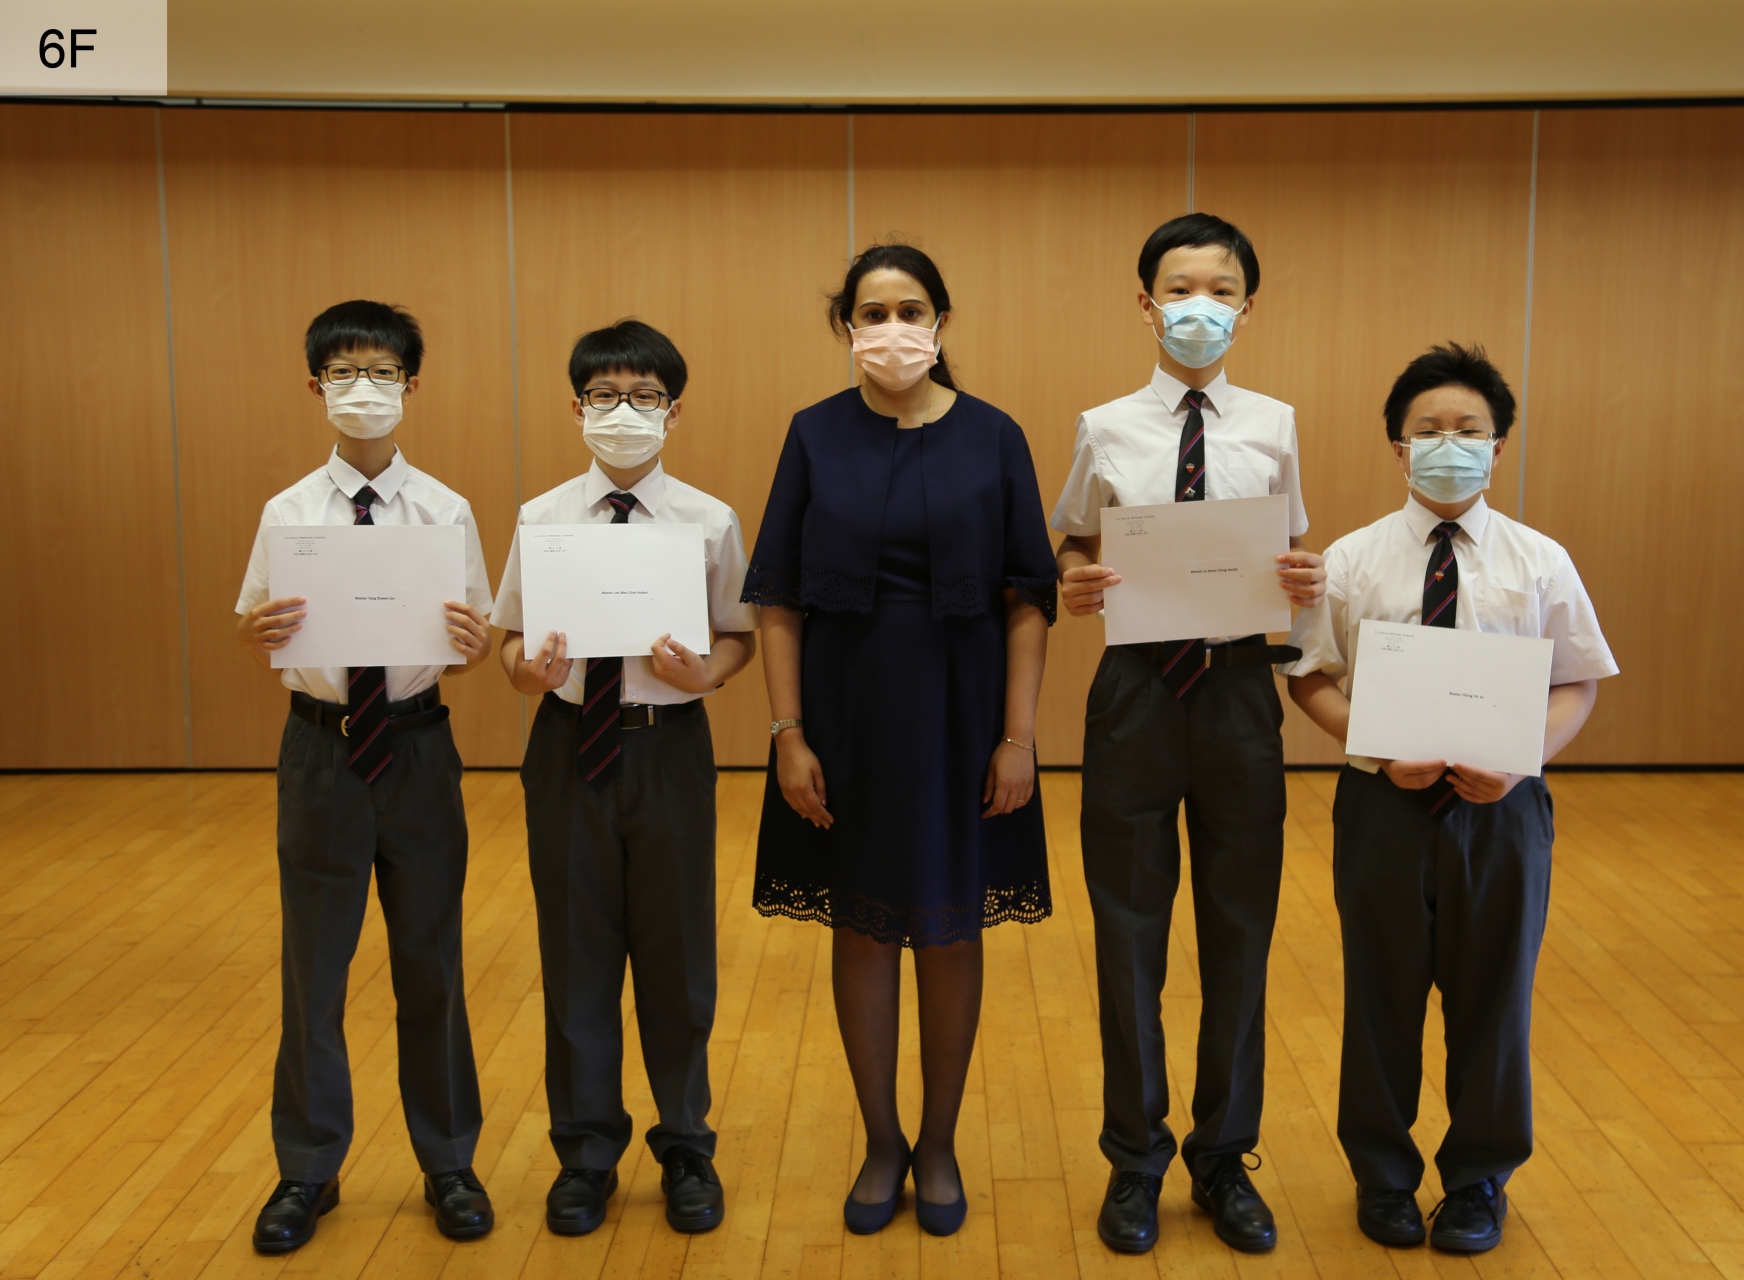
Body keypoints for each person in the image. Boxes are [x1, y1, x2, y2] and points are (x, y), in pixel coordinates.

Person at [744, 243, 1057, 1238]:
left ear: (941, 322)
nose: (891, 329)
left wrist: (1019, 737)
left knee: (952, 927)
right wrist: (788, 733)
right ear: (847, 328)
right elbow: (777, 596)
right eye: (871, 313)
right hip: (845, 715)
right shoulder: (813, 433)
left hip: (965, 717)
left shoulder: (996, 436)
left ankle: (940, 1141)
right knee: (866, 925)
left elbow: (1028, 597)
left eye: (909, 309)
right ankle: (882, 1140)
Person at [1286, 342, 1617, 1254]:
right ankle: (1383, 1176)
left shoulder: (1539, 560)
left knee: (1495, 997)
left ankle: (1478, 1180)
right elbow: (1308, 677)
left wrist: (1522, 760)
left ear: (1498, 446)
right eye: (1428, 429)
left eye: (1468, 430)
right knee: (1380, 995)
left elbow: (1577, 682)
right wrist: (1374, 747)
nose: (1448, 443)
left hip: (1503, 811)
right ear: (1398, 447)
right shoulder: (1351, 559)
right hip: (1383, 806)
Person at [1050, 213, 1327, 1256]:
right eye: (1179, 288)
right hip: (1135, 690)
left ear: (1246, 309)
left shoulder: (1275, 423)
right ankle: (1135, 1157)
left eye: (1221, 290)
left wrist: (1304, 574)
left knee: (1240, 928)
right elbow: (1075, 536)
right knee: (1128, 930)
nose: (1198, 306)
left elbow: (1289, 544)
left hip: (1239, 689)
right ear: (1146, 303)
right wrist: (1078, 578)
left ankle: (1223, 1157)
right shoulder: (1104, 424)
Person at [234, 300, 496, 1254]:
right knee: (315, 969)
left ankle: (450, 1160)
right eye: (344, 372)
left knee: (432, 960)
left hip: (418, 748)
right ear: (317, 386)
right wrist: (255, 632)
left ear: (410, 386)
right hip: (320, 751)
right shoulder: (289, 512)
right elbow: (254, 622)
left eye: (381, 372)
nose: (363, 388)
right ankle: (307, 1169)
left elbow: (473, 636)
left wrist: (473, 642)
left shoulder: (446, 510)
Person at [490, 319, 757, 1237]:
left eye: (645, 396)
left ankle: (686, 1144)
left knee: (677, 957)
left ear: (674, 412)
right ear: (577, 408)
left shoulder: (708, 520)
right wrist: (526, 673)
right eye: (605, 395)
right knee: (577, 954)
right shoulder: (542, 518)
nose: (624, 411)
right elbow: (511, 644)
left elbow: (739, 637)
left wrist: (708, 675)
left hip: (666, 744)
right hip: (569, 745)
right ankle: (585, 1153)